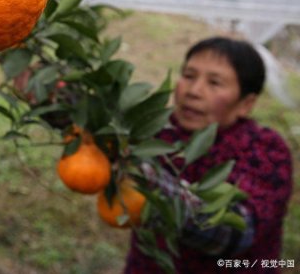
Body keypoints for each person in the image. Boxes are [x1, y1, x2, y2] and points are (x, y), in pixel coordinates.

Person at [125, 36, 294, 273]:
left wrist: (146, 180)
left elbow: (235, 234)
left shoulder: (265, 150)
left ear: (246, 103)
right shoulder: (156, 132)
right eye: (189, 76)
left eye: (214, 83)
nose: (193, 91)